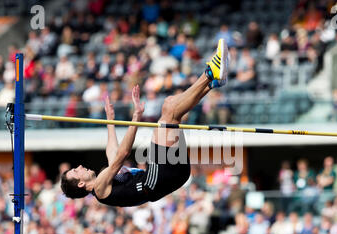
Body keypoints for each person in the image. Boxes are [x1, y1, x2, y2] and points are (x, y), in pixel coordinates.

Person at [60, 39, 229, 207]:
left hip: (170, 176)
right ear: (81, 183)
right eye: (76, 171)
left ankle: (213, 83)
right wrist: (136, 117)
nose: (80, 166)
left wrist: (110, 121)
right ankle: (209, 73)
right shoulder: (99, 188)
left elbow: (113, 152)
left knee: (170, 106)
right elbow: (122, 153)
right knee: (168, 113)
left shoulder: (105, 180)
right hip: (159, 179)